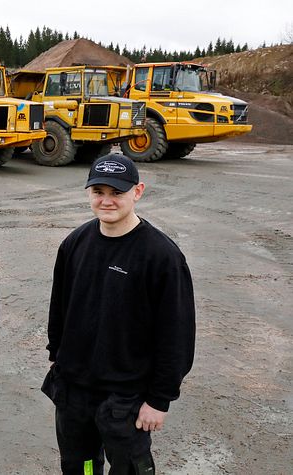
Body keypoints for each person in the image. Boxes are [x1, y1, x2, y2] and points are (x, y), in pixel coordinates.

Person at [43, 153, 196, 474]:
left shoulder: (161, 256)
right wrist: (58, 358)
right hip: (75, 392)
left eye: (117, 192)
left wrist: (159, 400)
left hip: (126, 398)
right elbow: (59, 308)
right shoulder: (75, 243)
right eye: (99, 192)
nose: (107, 201)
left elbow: (176, 335)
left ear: (137, 192)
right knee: (80, 467)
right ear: (89, 193)